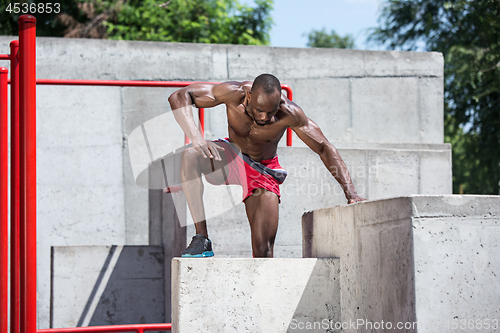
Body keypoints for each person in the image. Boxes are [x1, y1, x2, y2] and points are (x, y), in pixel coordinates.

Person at [168, 73, 366, 258]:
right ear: (249, 95)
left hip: (262, 170)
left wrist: (351, 193)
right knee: (190, 155)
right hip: (231, 156)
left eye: (270, 112)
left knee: (264, 251)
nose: (263, 117)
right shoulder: (232, 93)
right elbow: (179, 96)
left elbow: (324, 148)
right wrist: (195, 136)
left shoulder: (290, 113)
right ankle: (202, 238)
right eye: (259, 110)